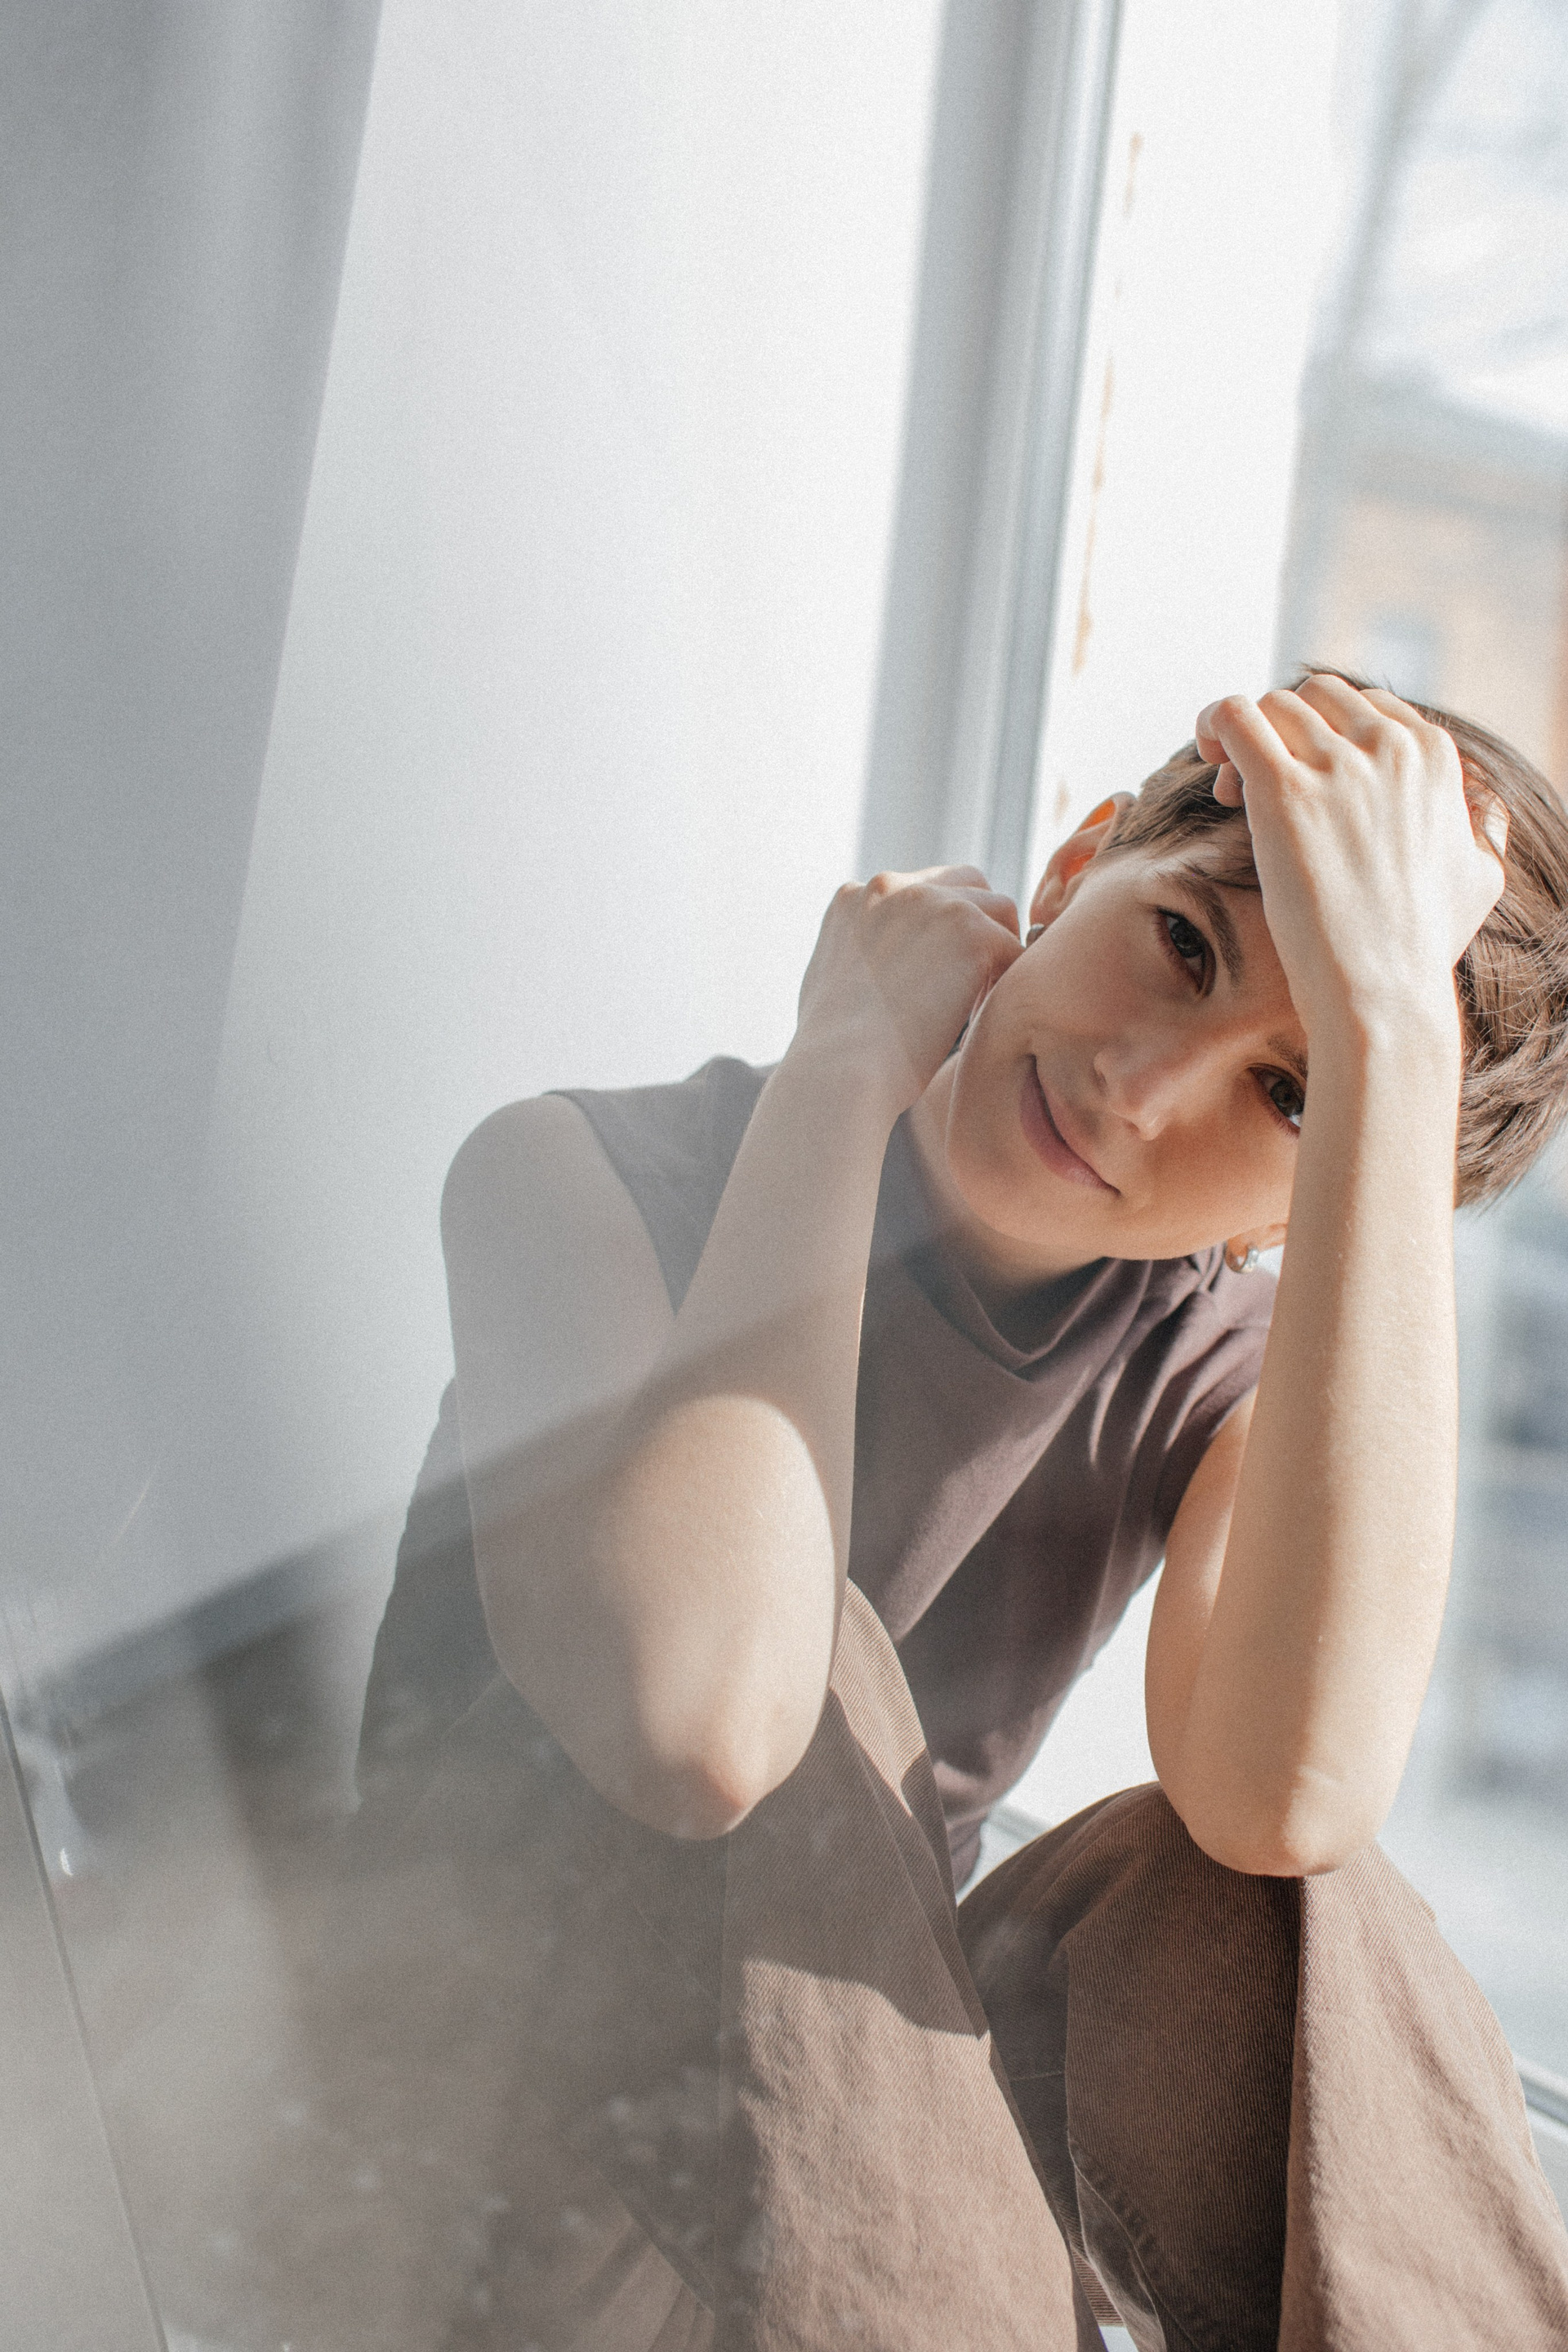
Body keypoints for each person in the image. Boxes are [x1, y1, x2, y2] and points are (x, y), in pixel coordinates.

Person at [323, 673, 1568, 2350]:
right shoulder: (572, 1178)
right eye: (1182, 945)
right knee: (803, 1644)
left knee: (1278, 1899)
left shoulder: (1219, 1366)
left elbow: (1291, 1795)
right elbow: (699, 1721)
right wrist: (839, 1073)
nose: (1143, 1086)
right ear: (1075, 865)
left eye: (1291, 1095)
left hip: (847, 2216)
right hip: (460, 2193)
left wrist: (1399, 1046)